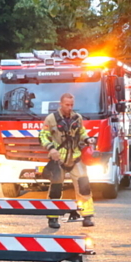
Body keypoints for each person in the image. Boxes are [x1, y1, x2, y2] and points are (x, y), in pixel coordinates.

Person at [40, 92, 95, 228]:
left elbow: (81, 132)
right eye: (67, 105)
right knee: (56, 189)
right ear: (61, 104)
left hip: (75, 157)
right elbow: (43, 136)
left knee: (84, 186)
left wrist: (88, 139)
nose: (70, 108)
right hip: (58, 159)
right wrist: (50, 148)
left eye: (71, 105)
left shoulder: (77, 118)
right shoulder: (51, 119)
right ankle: (53, 218)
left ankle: (87, 216)